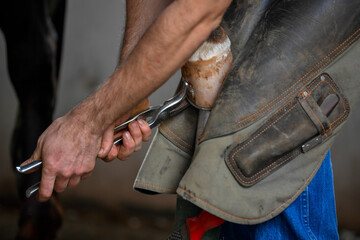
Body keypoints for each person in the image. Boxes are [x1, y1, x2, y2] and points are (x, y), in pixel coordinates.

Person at [20, 0, 360, 239]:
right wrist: (130, 95)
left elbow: (200, 9)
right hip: (240, 29)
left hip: (299, 36)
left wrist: (89, 121)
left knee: (258, 152)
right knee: (213, 181)